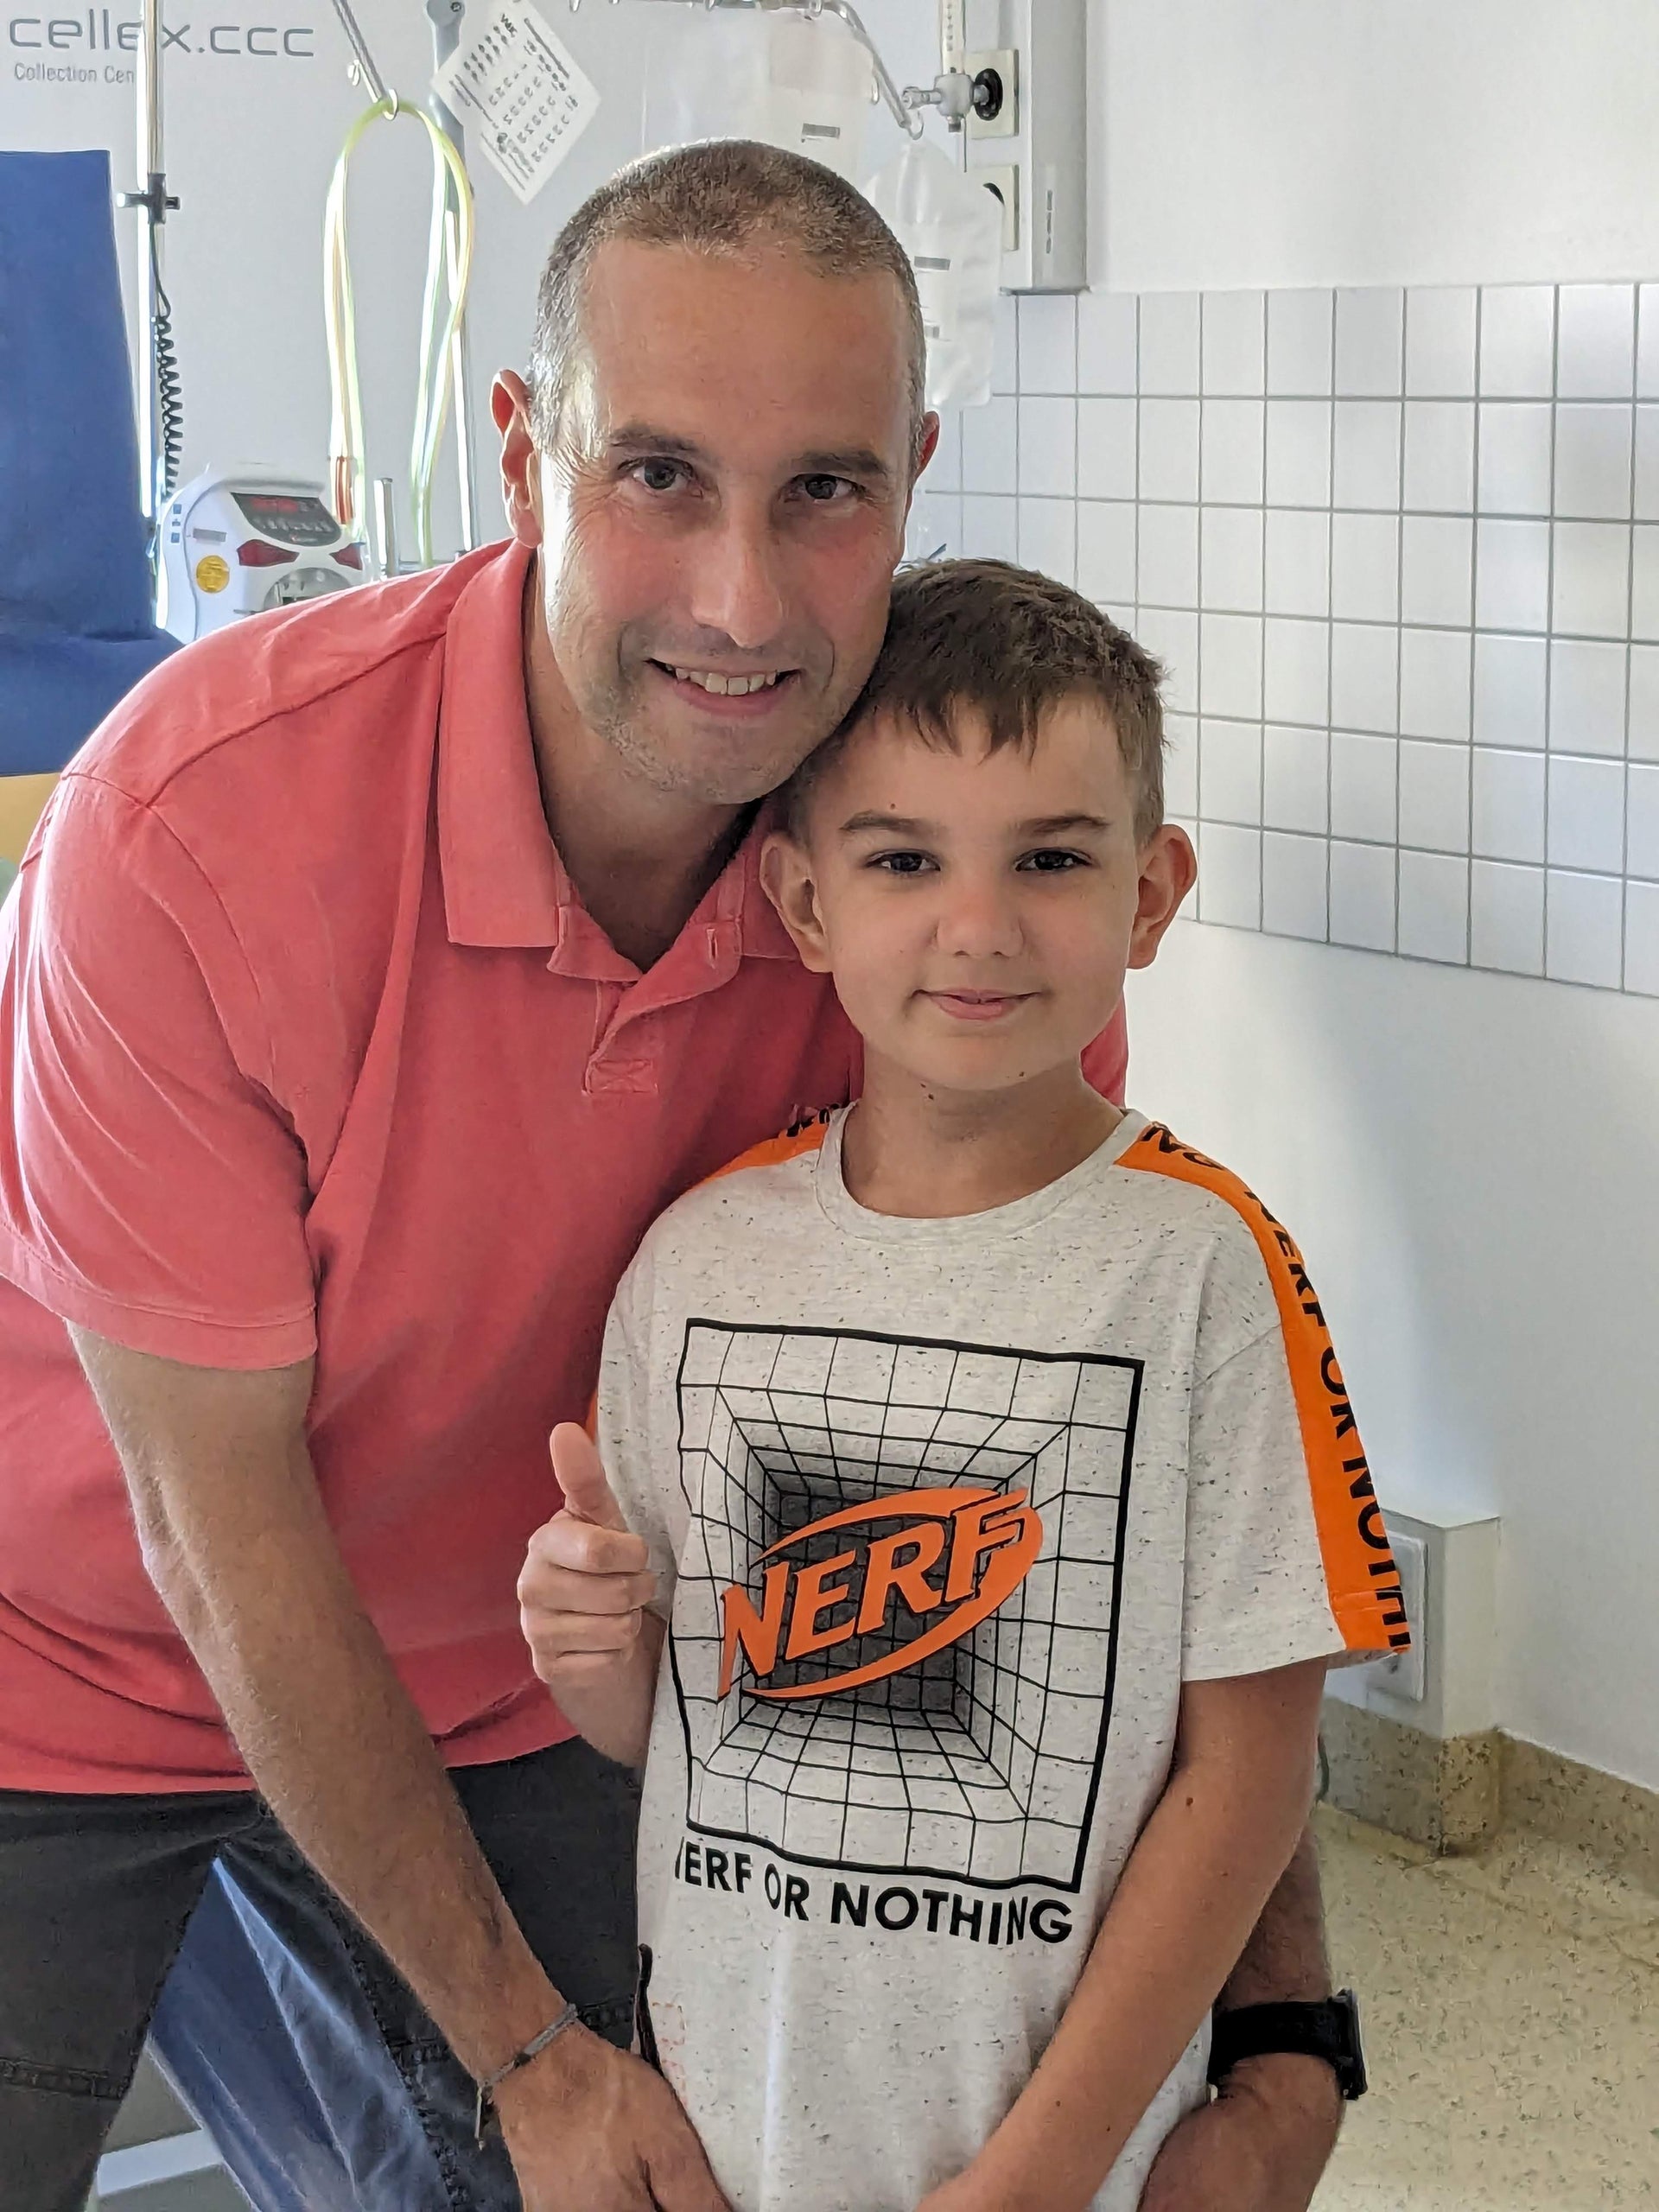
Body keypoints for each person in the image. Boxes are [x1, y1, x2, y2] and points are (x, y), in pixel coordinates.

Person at [0, 143, 1345, 2212]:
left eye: (824, 487)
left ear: (913, 468)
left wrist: (1283, 2031)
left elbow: (1137, 1481)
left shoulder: (913, 897)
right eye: (659, 476)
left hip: (520, 1669)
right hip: (56, 1653)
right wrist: (530, 2049)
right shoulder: (192, 833)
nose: (740, 598)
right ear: (528, 453)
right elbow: (215, 1532)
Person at [519, 558, 1402, 2211]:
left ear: (1152, 891)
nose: (979, 926)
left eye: (1052, 861)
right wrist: (588, 1652)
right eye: (905, 860)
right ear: (800, 904)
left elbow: (1250, 1771)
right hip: (729, 2132)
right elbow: (698, 1733)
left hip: (1052, 2159)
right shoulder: (699, 1266)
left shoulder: (1203, 1271)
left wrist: (1038, 2175)